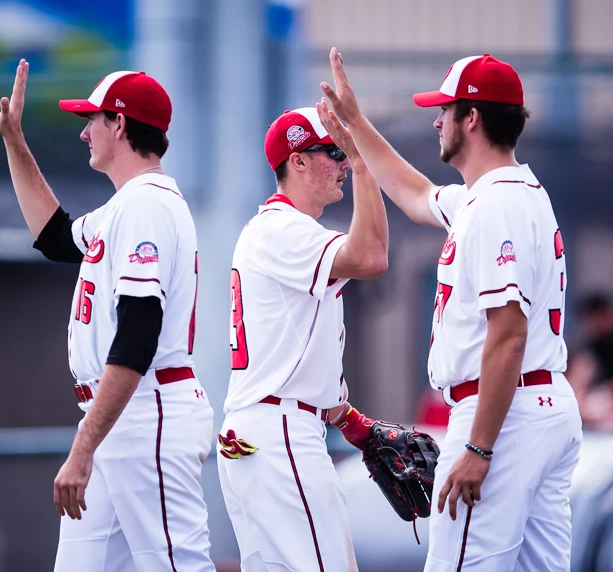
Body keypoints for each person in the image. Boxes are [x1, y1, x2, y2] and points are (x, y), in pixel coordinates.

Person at [321, 48, 582, 571]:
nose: (437, 120)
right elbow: (415, 193)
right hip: (540, 409)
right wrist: (356, 125)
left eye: (445, 109)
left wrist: (480, 448)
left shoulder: (495, 206)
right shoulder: (501, 195)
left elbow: (507, 334)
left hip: (502, 417)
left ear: (473, 118)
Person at [0, 61, 215, 571]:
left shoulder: (146, 207)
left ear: (120, 124)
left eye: (93, 118)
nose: (83, 130)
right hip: (122, 414)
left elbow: (137, 338)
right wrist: (15, 142)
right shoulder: (126, 206)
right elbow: (54, 238)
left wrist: (82, 448)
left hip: (147, 410)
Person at [216, 104, 393, 572]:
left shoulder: (281, 232)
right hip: (280, 437)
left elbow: (296, 354)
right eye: (332, 151)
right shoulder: (283, 230)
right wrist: (362, 163)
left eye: (342, 154)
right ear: (297, 161)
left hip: (263, 432)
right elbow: (372, 256)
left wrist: (350, 420)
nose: (341, 162)